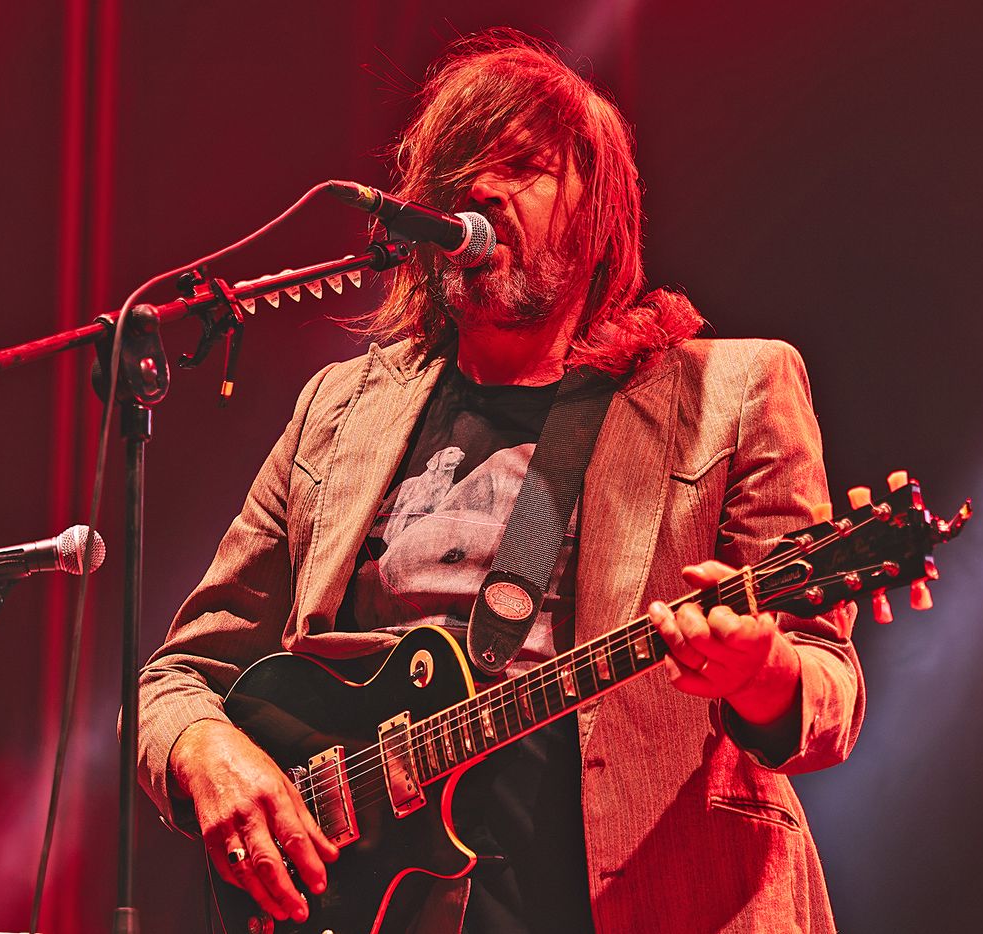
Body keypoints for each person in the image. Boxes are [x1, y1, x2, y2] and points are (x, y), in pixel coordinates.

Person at [137, 29, 864, 934]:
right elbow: (181, 672)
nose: (479, 191)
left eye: (523, 168)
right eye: (459, 176)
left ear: (598, 218)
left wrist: (762, 674)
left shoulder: (733, 390)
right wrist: (204, 752)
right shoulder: (339, 407)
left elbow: (828, 691)